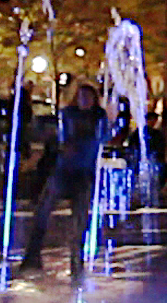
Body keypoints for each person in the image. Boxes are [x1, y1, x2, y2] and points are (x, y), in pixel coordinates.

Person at [19, 84, 110, 275]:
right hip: (64, 171)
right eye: (81, 96)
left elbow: (104, 137)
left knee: (79, 219)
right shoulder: (68, 113)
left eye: (88, 97)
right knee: (43, 212)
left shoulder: (98, 116)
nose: (84, 100)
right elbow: (60, 135)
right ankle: (32, 256)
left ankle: (76, 261)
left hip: (83, 173)